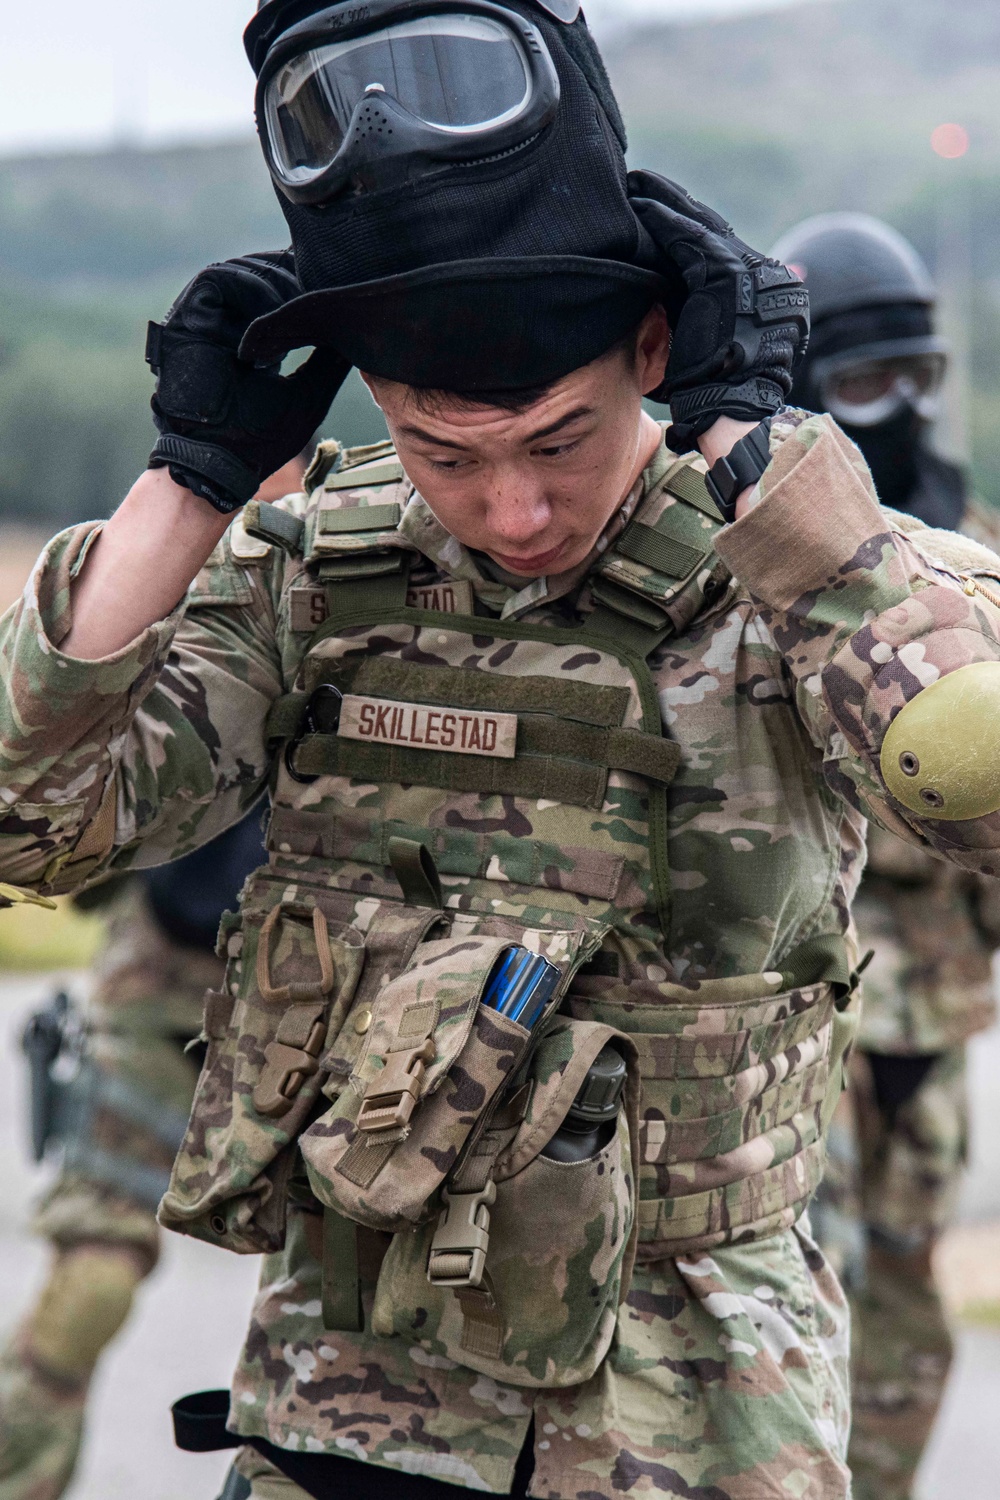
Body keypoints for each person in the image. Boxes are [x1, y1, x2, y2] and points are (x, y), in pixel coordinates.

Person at [2, 5, 1000, 1498]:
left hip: (693, 1405)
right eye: (443, 453)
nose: (514, 513)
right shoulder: (310, 579)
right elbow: (35, 823)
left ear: (654, 347)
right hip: (351, 1385)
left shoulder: (808, 572)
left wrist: (771, 469)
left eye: (559, 441)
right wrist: (191, 482)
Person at [0, 455, 307, 1500]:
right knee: (90, 1278)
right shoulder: (180, 587)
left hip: (325, 999)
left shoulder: (369, 585)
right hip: (167, 973)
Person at [771, 212, 1000, 1500]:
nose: (902, 411)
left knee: (907, 1334)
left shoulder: (978, 556)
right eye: (866, 386)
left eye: (921, 376)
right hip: (796, 1025)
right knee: (797, 1327)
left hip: (933, 1026)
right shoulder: (759, 567)